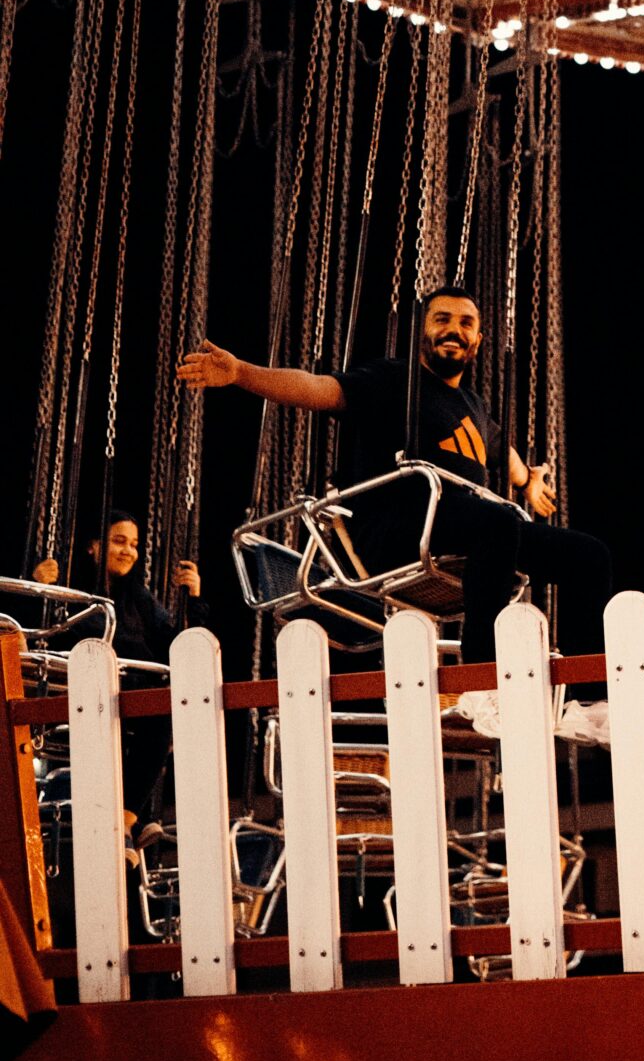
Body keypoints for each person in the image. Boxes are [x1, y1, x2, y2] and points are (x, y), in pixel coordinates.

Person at [178, 288, 612, 739]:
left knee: (589, 555)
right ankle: (482, 678)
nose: (454, 330)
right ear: (422, 330)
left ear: (478, 341)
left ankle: (587, 701)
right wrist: (240, 373)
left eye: (466, 324)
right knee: (498, 521)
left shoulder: (475, 407)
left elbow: (503, 453)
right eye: (442, 319)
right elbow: (316, 388)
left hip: (468, 531)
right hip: (395, 527)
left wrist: (529, 482)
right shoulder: (392, 381)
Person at [33, 514, 207, 821]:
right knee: (159, 717)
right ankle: (130, 823)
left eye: (134, 544)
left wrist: (193, 600)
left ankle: (127, 822)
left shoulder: (136, 597)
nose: (129, 551)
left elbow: (176, 644)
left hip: (132, 689)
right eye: (119, 541)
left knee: (167, 712)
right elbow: (43, 632)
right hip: (87, 687)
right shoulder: (70, 587)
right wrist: (39, 587)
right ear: (94, 546)